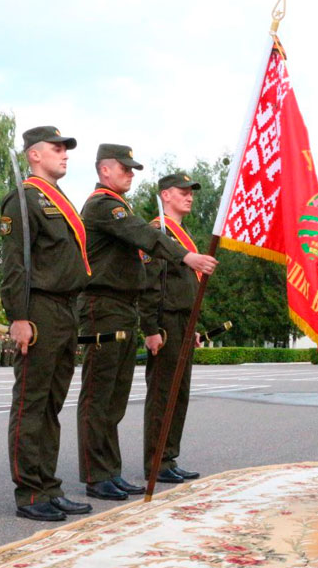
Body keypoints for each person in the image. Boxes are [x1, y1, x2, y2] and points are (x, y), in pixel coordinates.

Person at [77, 144, 217, 501]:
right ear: (104, 170)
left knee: (116, 397)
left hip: (124, 306)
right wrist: (153, 326)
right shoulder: (104, 206)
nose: (131, 173)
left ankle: (111, 471)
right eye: (124, 168)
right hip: (105, 305)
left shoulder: (120, 208)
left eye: (132, 169)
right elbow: (150, 253)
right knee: (103, 395)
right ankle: (101, 473)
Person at [0, 126, 93, 522]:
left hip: (66, 309)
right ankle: (30, 493)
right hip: (38, 308)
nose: (64, 154)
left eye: (66, 149)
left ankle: (48, 485)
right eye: (57, 149)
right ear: (34, 155)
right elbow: (15, 263)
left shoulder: (58, 200)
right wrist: (18, 316)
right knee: (31, 402)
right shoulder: (23, 200)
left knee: (52, 404)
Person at [139, 172, 204, 484]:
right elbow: (150, 283)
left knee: (180, 394)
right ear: (165, 195)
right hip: (165, 323)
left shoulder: (181, 235)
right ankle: (156, 461)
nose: (188, 196)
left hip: (182, 322)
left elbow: (186, 286)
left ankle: (169, 457)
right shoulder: (157, 232)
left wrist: (193, 325)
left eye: (191, 192)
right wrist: (151, 327)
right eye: (182, 191)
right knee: (163, 393)